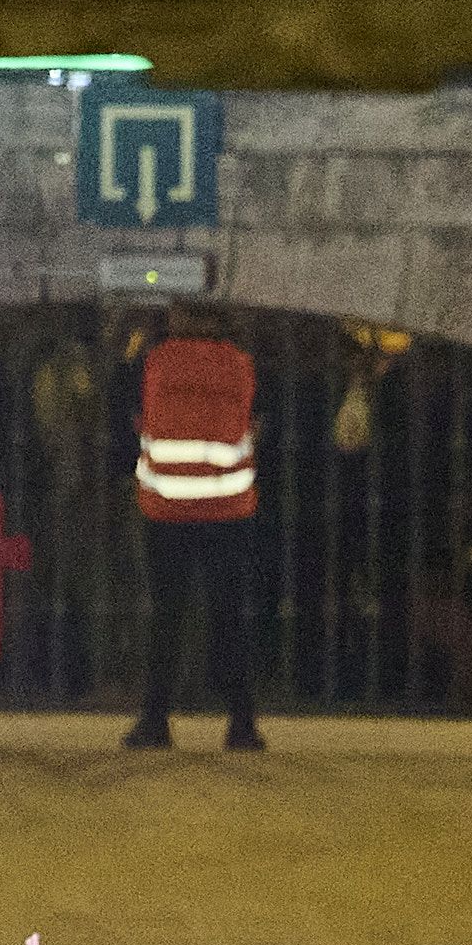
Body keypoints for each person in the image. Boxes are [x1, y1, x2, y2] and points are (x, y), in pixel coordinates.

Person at [125, 309, 264, 754]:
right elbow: (255, 425)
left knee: (166, 614)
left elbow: (133, 419)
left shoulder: (154, 361)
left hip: (165, 505)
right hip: (228, 507)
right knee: (228, 615)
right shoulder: (240, 363)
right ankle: (241, 722)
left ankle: (155, 720)